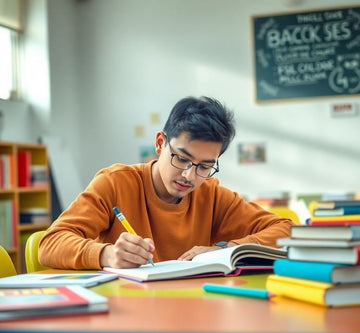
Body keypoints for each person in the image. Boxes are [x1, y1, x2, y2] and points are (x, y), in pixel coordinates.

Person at [39, 96, 292, 270]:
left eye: (205, 166)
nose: (189, 176)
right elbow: (50, 244)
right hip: (126, 311)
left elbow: (287, 229)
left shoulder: (212, 195)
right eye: (181, 159)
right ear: (160, 143)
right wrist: (107, 255)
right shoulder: (115, 183)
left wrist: (226, 248)